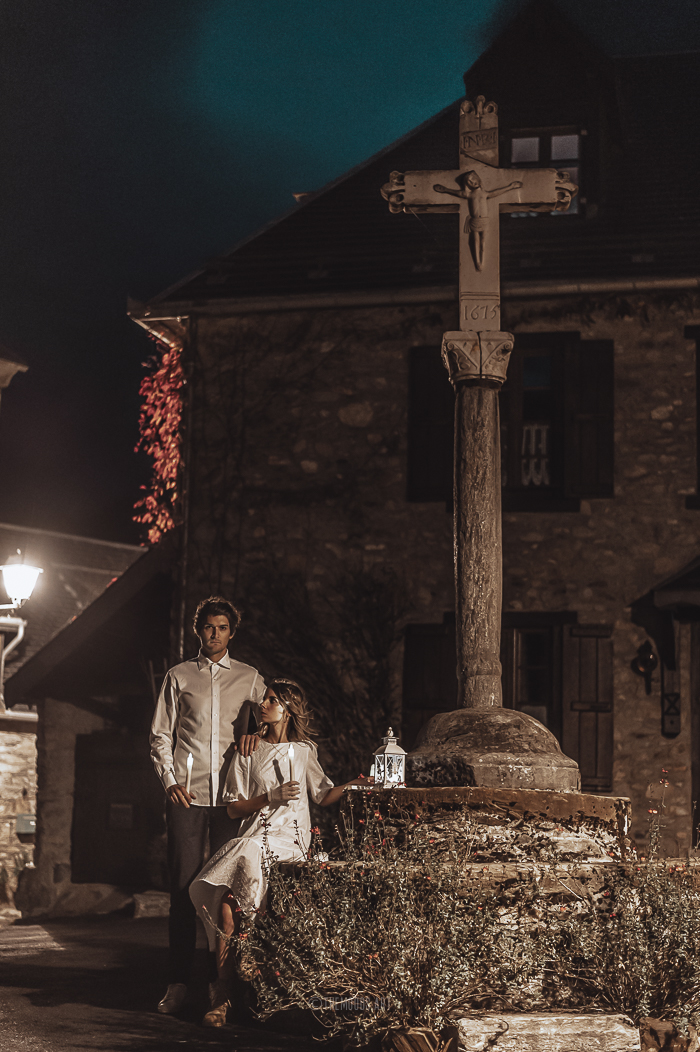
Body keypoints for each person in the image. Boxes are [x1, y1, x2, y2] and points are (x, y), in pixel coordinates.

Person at [189, 678, 365, 1028]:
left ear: (287, 710)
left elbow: (324, 794)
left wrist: (360, 784)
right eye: (264, 699)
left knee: (242, 874)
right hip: (255, 838)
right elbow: (234, 809)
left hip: (291, 843)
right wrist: (271, 797)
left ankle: (243, 962)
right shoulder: (247, 750)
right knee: (226, 910)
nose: (262, 704)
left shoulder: (304, 752)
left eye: (271, 700)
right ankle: (222, 999)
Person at [150, 595, 265, 1017]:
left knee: (226, 894)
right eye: (207, 628)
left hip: (232, 801)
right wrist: (170, 781)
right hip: (188, 796)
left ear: (232, 633)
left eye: (221, 628)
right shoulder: (179, 676)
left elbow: (271, 725)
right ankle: (178, 982)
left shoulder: (251, 679)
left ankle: (224, 986)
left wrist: (256, 736)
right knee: (182, 889)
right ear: (198, 631)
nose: (214, 635)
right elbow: (161, 735)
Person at [433, 170, 522, 271]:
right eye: (470, 182)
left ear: (479, 180)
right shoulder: (469, 195)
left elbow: (496, 192)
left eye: (474, 180)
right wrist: (444, 189)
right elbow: (455, 192)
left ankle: (482, 262)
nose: (473, 183)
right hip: (474, 221)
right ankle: (477, 263)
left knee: (483, 242)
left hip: (484, 220)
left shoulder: (485, 194)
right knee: (475, 241)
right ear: (467, 184)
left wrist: (511, 187)